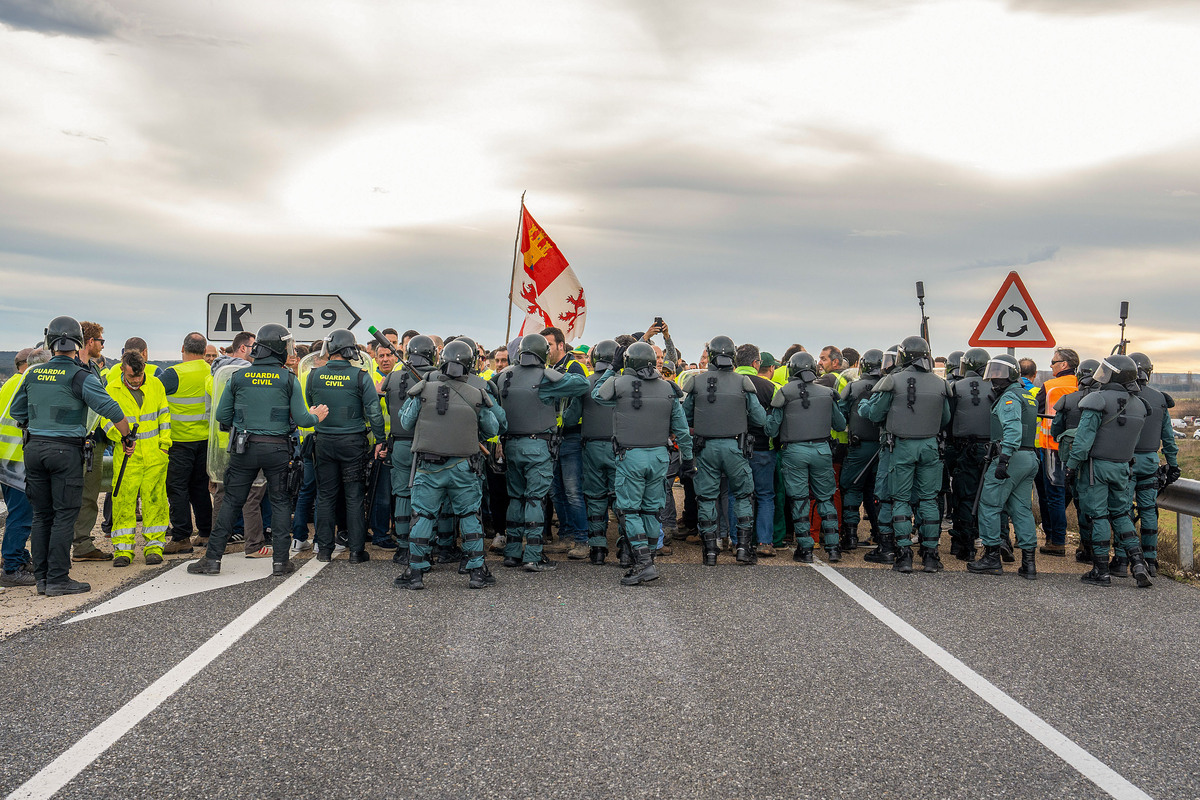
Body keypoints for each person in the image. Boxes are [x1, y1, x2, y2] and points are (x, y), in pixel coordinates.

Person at [189, 324, 328, 577]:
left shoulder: (238, 377)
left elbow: (222, 415)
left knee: (231, 501)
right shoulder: (288, 379)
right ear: (278, 349)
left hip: (244, 448)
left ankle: (212, 560)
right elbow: (303, 420)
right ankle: (281, 563)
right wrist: (317, 416)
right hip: (278, 451)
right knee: (280, 502)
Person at [8, 316, 134, 595]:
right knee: (65, 515)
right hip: (66, 451)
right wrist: (127, 437)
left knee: (42, 516)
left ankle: (42, 579)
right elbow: (112, 410)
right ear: (78, 344)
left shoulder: (31, 373)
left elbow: (17, 412)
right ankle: (58, 579)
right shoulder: (81, 376)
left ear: (50, 343)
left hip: (34, 449)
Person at [394, 341, 500, 590]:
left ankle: (416, 572)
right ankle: (476, 572)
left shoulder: (423, 389)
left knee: (422, 516)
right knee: (470, 516)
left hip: (429, 469)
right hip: (464, 468)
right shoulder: (477, 394)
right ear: (470, 365)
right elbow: (493, 429)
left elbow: (406, 422)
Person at [591, 342, 694, 585]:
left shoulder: (617, 384)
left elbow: (597, 395)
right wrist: (688, 460)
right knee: (650, 510)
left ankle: (643, 563)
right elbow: (682, 432)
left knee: (629, 510)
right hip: (659, 457)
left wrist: (611, 370)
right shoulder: (669, 388)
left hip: (631, 456)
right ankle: (648, 559)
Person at [494, 333, 589, 572]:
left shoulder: (502, 376)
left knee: (516, 498)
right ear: (543, 353)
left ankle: (513, 552)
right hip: (537, 447)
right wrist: (552, 372)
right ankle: (533, 555)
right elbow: (582, 385)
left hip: (510, 445)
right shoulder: (544, 378)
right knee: (535, 498)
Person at [860, 336, 950, 574]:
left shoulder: (893, 380)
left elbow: (876, 413)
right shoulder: (940, 383)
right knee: (929, 500)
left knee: (899, 500)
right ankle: (930, 556)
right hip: (931, 445)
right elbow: (946, 418)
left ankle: (904, 555)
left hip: (901, 446)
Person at [680, 336, 766, 566]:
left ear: (711, 355)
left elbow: (684, 416)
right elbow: (759, 418)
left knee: (707, 497)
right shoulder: (743, 382)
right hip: (735, 447)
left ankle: (710, 551)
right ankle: (743, 549)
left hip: (706, 447)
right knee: (743, 495)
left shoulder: (696, 382)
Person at [1066, 355, 1152, 587]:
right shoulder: (1139, 404)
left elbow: (1083, 441)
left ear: (1113, 374)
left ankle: (1101, 570)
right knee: (1122, 514)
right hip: (1123, 466)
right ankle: (1138, 563)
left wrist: (1071, 466)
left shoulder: (1097, 400)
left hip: (1098, 467)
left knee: (1099, 516)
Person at [306, 329, 386, 563]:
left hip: (324, 441)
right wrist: (380, 439)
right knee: (354, 497)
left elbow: (311, 405)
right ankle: (356, 551)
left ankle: (324, 551)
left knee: (326, 496)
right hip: (352, 442)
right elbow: (374, 412)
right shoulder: (360, 376)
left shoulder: (314, 375)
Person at [766, 351, 847, 562]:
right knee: (825, 497)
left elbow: (771, 429)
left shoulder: (784, 391)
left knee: (800, 500)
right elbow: (839, 424)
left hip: (794, 452)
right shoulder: (827, 393)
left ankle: (806, 549)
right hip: (822, 449)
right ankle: (833, 548)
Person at [967, 355, 1040, 579]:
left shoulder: (1009, 398)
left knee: (989, 504)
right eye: (994, 372)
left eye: (1000, 373)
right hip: (1029, 457)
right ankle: (1029, 563)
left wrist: (1004, 458)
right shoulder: (1026, 395)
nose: (995, 379)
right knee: (1021, 510)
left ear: (1012, 374)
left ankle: (991, 558)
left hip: (1012, 457)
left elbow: (1013, 430)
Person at [102, 350, 172, 566]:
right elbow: (105, 421)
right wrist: (120, 437)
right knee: (123, 501)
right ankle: (123, 550)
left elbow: (164, 417)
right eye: (133, 377)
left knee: (155, 502)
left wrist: (164, 447)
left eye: (140, 376)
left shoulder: (155, 385)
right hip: (126, 456)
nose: (137, 380)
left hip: (154, 456)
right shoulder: (111, 388)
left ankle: (154, 547)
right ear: (123, 369)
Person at [380, 335, 437, 566]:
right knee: (428, 499)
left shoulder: (392, 377)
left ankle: (403, 547)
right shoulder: (435, 376)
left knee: (402, 495)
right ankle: (424, 548)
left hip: (400, 444)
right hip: (427, 444)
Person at [158, 332, 214, 555]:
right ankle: (206, 532)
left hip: (179, 441)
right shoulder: (213, 371)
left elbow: (152, 396)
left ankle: (181, 537)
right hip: (206, 440)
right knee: (200, 488)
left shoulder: (172, 374)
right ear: (203, 351)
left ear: (183, 348)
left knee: (177, 488)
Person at [1125, 353, 1180, 576]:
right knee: (1148, 510)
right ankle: (1151, 560)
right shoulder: (1160, 399)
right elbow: (1168, 438)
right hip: (1150, 461)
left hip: (1125, 462)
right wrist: (1173, 465)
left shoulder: (1124, 396)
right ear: (1149, 372)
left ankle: (1122, 559)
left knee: (1123, 510)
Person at [540, 326, 589, 560]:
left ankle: (582, 540)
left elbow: (580, 396)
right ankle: (566, 535)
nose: (545, 349)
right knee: (556, 491)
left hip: (569, 436)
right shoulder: (546, 368)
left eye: (548, 344)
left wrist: (565, 420)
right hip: (551, 437)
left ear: (560, 345)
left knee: (572, 491)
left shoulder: (574, 366)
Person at [70, 320, 114, 562]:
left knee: (89, 494)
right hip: (74, 441)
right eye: (101, 342)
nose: (102, 347)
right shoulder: (74, 368)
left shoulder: (93, 369)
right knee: (72, 494)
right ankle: (74, 543)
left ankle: (82, 544)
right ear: (90, 342)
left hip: (94, 441)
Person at [0, 348, 43, 586]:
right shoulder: (26, 384)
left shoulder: (9, 384)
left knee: (17, 512)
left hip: (6, 459)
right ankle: (12, 568)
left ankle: (19, 557)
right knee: (22, 515)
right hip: (18, 460)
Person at [947, 348, 993, 562]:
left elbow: (947, 419)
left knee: (964, 497)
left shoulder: (955, 386)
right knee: (992, 499)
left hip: (964, 449)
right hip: (992, 449)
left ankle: (964, 545)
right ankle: (998, 543)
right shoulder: (996, 387)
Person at [1034, 348, 1079, 557]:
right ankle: (1086, 545)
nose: (1051, 365)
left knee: (1053, 495)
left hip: (1053, 448)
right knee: (1077, 495)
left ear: (1064, 365)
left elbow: (1035, 410)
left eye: (1054, 362)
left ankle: (1056, 540)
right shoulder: (1083, 385)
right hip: (1079, 449)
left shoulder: (1050, 386)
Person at [838, 348, 884, 552]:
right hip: (883, 448)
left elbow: (840, 418)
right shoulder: (888, 386)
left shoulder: (853, 387)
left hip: (859, 448)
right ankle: (880, 534)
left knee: (852, 489)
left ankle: (850, 536)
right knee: (878, 492)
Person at [735, 343, 778, 557]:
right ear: (755, 363)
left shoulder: (728, 383)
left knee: (736, 495)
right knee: (765, 496)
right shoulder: (770, 387)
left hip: (733, 448)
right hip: (762, 449)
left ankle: (736, 540)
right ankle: (764, 542)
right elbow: (778, 419)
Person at [580, 339, 621, 564]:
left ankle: (597, 549)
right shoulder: (622, 383)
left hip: (592, 447)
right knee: (622, 499)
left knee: (595, 498)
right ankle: (624, 548)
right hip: (618, 447)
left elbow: (570, 417)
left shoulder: (586, 383)